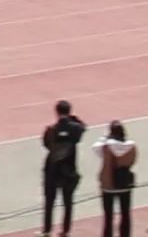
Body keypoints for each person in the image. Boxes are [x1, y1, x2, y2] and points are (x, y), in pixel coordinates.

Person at [42, 100, 86, 237]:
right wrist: (74, 119)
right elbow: (83, 127)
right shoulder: (75, 129)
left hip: (52, 169)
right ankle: (65, 231)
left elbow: (46, 144)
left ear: (56, 111)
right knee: (68, 202)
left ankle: (47, 230)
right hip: (69, 169)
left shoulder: (51, 129)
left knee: (49, 202)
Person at [93, 120, 138, 237]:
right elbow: (133, 161)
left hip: (109, 186)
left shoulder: (106, 147)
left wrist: (106, 137)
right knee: (125, 214)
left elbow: (96, 148)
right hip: (125, 185)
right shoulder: (132, 147)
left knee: (108, 216)